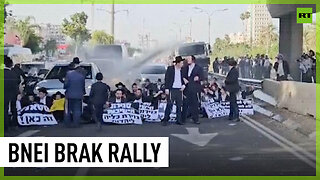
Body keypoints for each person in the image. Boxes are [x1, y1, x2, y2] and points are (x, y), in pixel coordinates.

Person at [162, 56, 186, 126]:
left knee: (179, 106)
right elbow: (167, 78)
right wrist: (166, 88)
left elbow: (184, 79)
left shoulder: (182, 70)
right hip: (172, 89)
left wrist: (184, 85)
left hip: (179, 90)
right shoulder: (170, 69)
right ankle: (166, 119)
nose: (182, 64)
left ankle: (178, 120)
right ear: (178, 63)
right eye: (181, 63)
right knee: (169, 105)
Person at [64, 57, 86, 128]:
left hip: (69, 94)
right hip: (79, 94)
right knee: (77, 110)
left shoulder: (68, 74)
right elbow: (83, 85)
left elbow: (65, 85)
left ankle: (67, 123)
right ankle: (76, 123)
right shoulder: (82, 75)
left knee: (68, 109)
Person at [182, 55, 204, 124]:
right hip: (187, 87)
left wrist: (198, 78)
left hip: (194, 87)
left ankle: (195, 119)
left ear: (193, 60)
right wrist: (184, 79)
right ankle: (183, 119)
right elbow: (182, 75)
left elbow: (202, 76)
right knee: (185, 103)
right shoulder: (185, 68)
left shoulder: (198, 68)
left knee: (195, 104)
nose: (187, 60)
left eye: (189, 59)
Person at [4, 56, 19, 131]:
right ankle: (14, 124)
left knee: (4, 110)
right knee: (13, 109)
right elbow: (16, 84)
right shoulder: (14, 73)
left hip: (3, 95)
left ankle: (5, 126)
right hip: (13, 95)